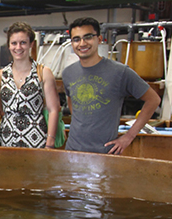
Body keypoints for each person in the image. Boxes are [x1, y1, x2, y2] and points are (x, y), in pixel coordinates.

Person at [62, 17, 160, 154]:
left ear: (100, 39)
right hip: (73, 151)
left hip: (105, 153)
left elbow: (153, 99)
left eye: (88, 37)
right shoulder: (68, 73)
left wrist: (129, 136)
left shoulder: (120, 72)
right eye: (76, 39)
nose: (82, 43)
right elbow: (72, 101)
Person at [0, 21, 61, 148]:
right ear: (8, 45)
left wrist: (50, 142)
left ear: (31, 44)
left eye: (23, 43)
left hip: (36, 140)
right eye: (14, 43)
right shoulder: (0, 75)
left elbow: (53, 109)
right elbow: (2, 109)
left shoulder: (43, 73)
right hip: (7, 139)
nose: (18, 47)